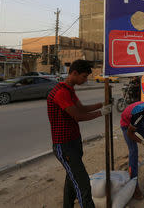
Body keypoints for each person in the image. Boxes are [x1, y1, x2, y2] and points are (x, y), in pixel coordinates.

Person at [47, 60, 112, 208]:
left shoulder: (69, 90)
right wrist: (101, 112)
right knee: (83, 185)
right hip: (64, 146)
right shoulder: (61, 92)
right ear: (74, 73)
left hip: (74, 142)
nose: (85, 80)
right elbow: (78, 116)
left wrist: (102, 104)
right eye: (84, 76)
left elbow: (81, 108)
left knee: (72, 180)